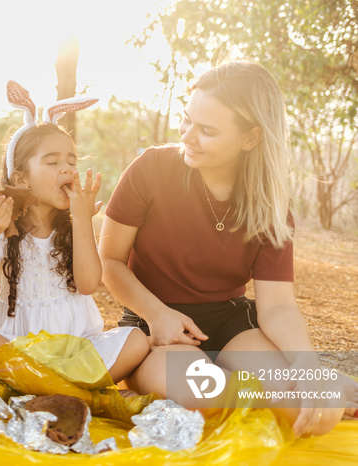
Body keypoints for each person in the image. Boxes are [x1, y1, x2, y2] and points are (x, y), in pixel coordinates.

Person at [98, 60, 355, 437]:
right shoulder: (150, 169)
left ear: (250, 138)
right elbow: (110, 261)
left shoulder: (270, 208)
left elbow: (278, 306)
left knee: (315, 410)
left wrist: (306, 368)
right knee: (208, 399)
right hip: (157, 327)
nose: (187, 135)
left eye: (207, 130)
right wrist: (157, 314)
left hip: (232, 325)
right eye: (187, 120)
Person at [0, 81, 150, 389]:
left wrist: (84, 219)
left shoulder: (73, 228)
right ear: (21, 177)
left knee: (137, 339)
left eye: (72, 161)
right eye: (52, 162)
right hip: (18, 346)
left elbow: (87, 285)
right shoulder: (4, 228)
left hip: (73, 349)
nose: (68, 169)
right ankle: (70, 392)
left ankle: (46, 389)